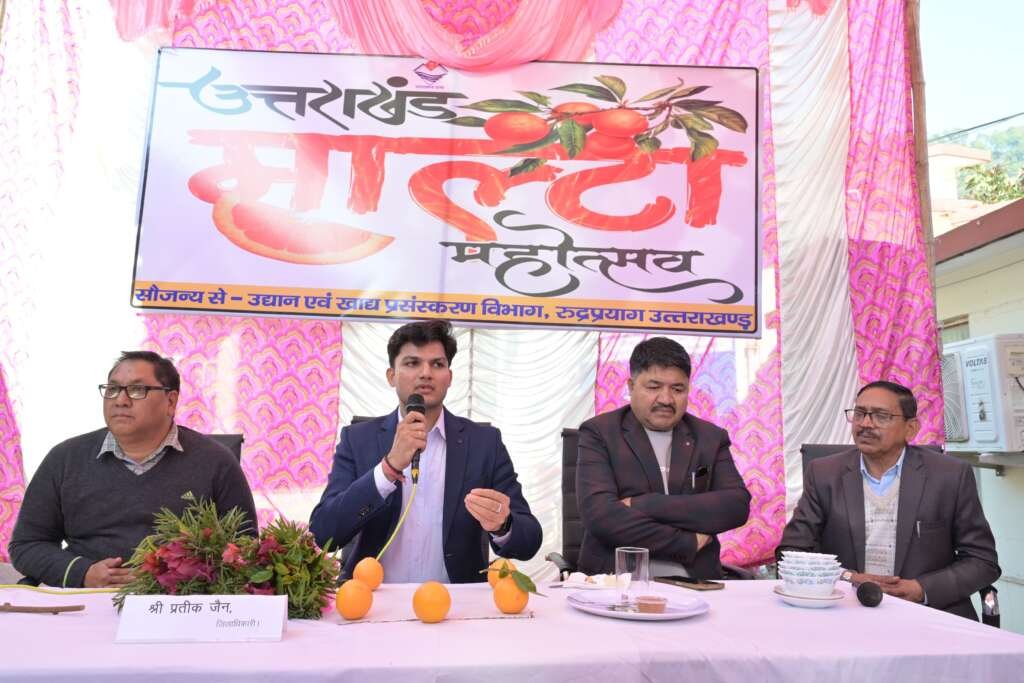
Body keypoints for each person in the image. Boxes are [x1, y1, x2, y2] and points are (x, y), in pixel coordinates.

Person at [310, 320, 542, 583]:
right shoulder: (357, 439)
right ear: (391, 376)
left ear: (449, 377)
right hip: (373, 599)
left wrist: (504, 525)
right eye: (412, 363)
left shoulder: (484, 443)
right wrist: (387, 468)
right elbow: (323, 533)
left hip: (458, 601)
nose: (425, 373)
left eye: (437, 364)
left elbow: (529, 541)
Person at [9, 351, 258, 588]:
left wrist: (176, 578)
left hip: (178, 602)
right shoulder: (65, 458)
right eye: (113, 389)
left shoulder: (215, 462)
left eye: (137, 390)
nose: (121, 400)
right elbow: (27, 544)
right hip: (85, 598)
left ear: (170, 401)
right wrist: (82, 573)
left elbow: (244, 549)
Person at [778, 380, 1000, 620]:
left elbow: (982, 561)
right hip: (845, 612)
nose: (865, 424)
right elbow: (792, 552)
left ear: (911, 428)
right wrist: (848, 578)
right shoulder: (824, 474)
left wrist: (921, 589)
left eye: (881, 416)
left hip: (929, 615)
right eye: (859, 413)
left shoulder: (949, 476)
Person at [575, 337, 751, 579]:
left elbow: (735, 506)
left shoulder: (710, 437)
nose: (666, 399)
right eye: (654, 387)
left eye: (677, 389)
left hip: (696, 580)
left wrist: (643, 504)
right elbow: (602, 517)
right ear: (631, 386)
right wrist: (687, 542)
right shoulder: (600, 433)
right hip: (616, 580)